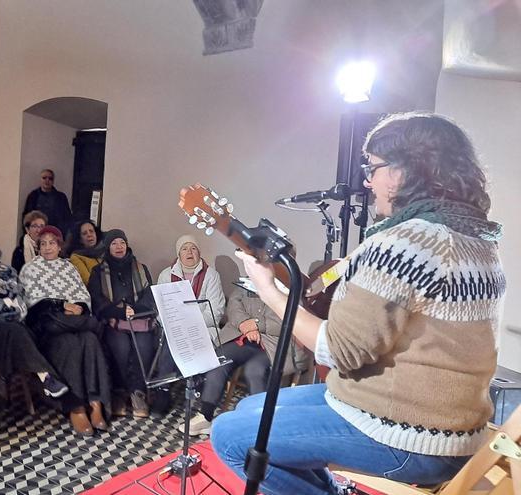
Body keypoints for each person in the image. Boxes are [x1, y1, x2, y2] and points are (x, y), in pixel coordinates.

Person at [210, 113, 506, 494]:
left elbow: (336, 351)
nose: (367, 181)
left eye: (373, 167)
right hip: (450, 422)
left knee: (231, 435)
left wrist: (267, 289)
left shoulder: (407, 242)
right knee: (251, 410)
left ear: (409, 169)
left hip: (414, 436)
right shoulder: (477, 239)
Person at [19, 226, 111, 436]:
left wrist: (77, 307)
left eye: (52, 243)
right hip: (49, 329)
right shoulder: (30, 269)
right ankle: (76, 407)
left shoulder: (69, 267)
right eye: (43, 243)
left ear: (59, 246)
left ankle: (96, 403)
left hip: (73, 322)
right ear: (38, 247)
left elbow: (82, 296)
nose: (48, 247)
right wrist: (61, 306)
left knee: (89, 340)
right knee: (68, 340)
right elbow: (32, 304)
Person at [0, 240, 69, 401]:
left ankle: (3, 378)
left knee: (15, 330)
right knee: (17, 330)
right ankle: (45, 377)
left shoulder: (9, 273)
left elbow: (21, 308)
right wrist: (7, 303)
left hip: (11, 332)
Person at [156, 234, 234, 429]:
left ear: (199, 252)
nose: (189, 252)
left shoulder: (211, 275)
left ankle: (200, 389)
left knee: (198, 341)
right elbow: (160, 308)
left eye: (193, 248)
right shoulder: (166, 275)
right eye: (184, 249)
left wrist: (188, 320)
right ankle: (163, 391)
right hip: (174, 327)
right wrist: (175, 322)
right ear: (178, 253)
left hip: (204, 327)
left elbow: (216, 312)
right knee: (168, 342)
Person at [88, 229, 156, 418]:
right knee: (120, 347)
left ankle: (138, 393)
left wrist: (136, 311)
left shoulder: (141, 268)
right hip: (113, 321)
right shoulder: (98, 271)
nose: (119, 247)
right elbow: (96, 299)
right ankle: (119, 393)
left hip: (139, 320)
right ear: (108, 247)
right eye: (114, 243)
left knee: (144, 346)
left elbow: (150, 296)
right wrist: (119, 312)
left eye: (122, 243)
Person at [22, 168, 72, 235]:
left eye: (50, 178)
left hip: (55, 233)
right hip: (36, 233)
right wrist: (28, 233)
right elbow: (27, 216)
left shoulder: (61, 197)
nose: (47, 180)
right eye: (44, 178)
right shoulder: (33, 196)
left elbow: (67, 217)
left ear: (53, 181)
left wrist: (63, 233)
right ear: (40, 179)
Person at [66, 220, 103, 285]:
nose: (89, 235)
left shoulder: (104, 252)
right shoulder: (76, 256)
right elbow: (88, 281)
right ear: (80, 239)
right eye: (84, 233)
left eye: (91, 231)